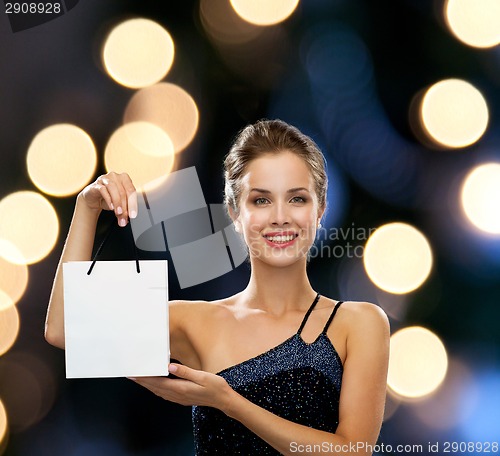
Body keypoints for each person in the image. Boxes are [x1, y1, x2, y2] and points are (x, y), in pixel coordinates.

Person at [45, 119, 390, 455]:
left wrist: (227, 401)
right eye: (261, 200)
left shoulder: (359, 323)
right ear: (235, 214)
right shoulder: (197, 321)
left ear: (320, 210)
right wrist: (87, 208)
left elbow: (352, 451)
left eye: (297, 199)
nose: (280, 216)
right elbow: (63, 329)